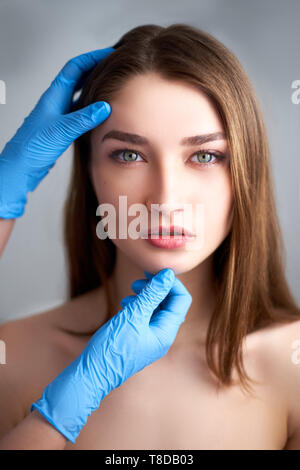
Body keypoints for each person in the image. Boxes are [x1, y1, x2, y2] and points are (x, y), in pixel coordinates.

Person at [0, 23, 300, 450]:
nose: (166, 199)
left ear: (246, 175)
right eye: (128, 154)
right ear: (88, 172)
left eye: (204, 155)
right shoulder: (15, 356)